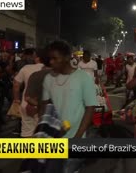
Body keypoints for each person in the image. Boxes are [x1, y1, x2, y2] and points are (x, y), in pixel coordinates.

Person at [41, 40, 97, 173]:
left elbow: (90, 108)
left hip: (74, 139)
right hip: (53, 139)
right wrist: (43, 130)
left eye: (55, 58)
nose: (51, 62)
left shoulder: (83, 78)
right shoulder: (48, 78)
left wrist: (77, 137)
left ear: (67, 57)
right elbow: (44, 105)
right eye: (50, 59)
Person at [13, 49, 44, 138]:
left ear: (37, 57)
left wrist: (16, 100)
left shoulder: (26, 68)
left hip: (26, 105)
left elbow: (16, 85)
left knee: (27, 132)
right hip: (42, 106)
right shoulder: (52, 70)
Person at [24, 49, 51, 117]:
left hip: (44, 116)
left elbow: (28, 98)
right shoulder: (65, 75)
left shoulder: (36, 75)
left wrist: (40, 105)